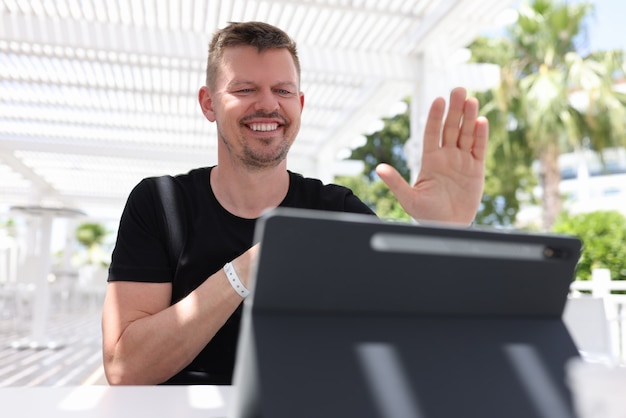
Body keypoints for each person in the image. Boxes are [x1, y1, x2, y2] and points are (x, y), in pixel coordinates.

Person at [101, 21, 488, 386]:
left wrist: (447, 233)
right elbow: (124, 367)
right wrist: (245, 271)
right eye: (245, 89)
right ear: (209, 104)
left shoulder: (336, 210)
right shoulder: (160, 203)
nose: (267, 105)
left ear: (300, 103)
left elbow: (423, 333)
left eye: (283, 91)